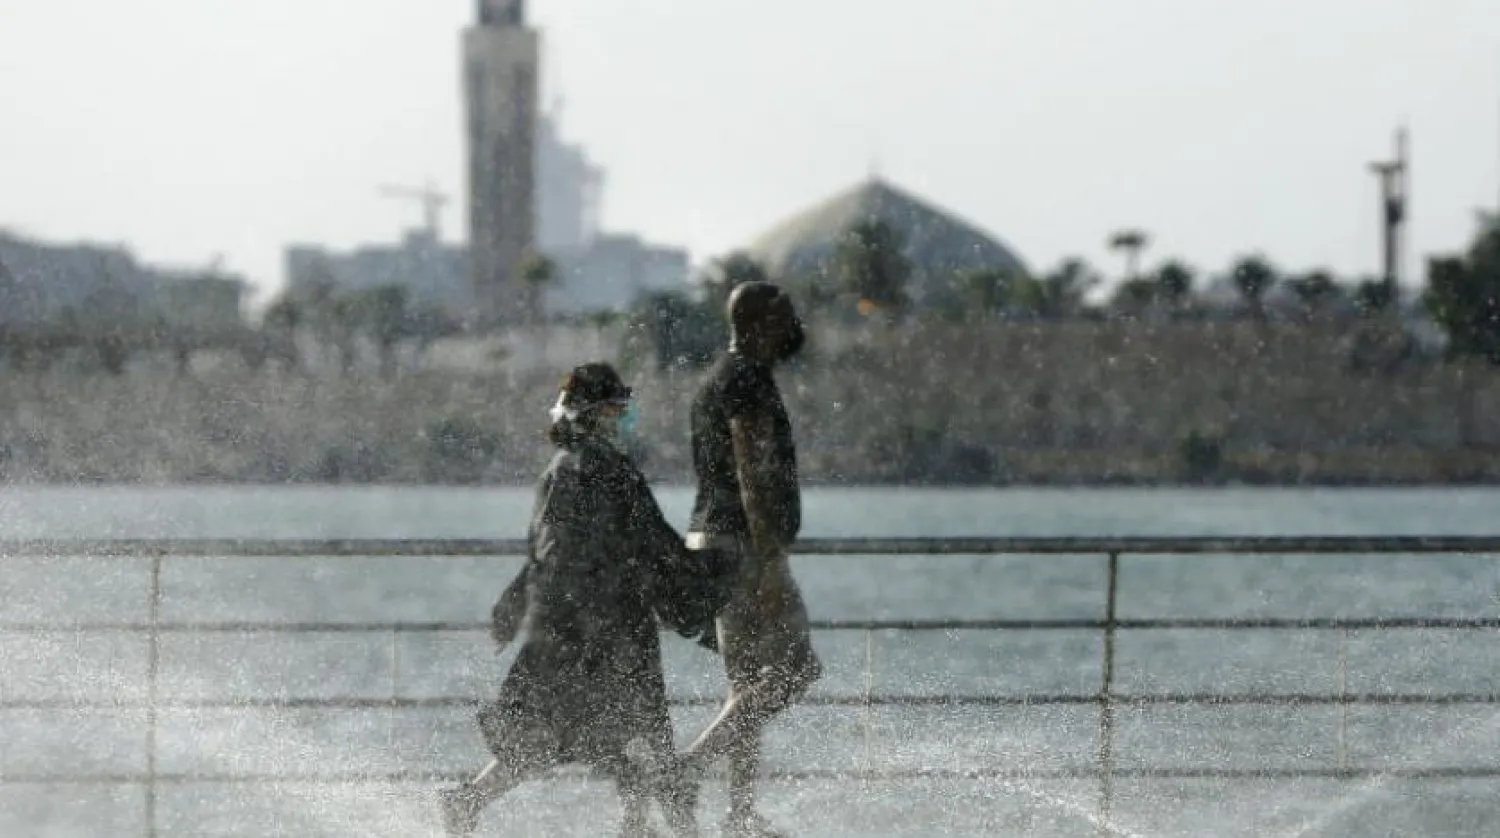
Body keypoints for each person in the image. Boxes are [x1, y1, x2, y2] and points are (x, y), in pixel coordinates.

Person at [439, 362, 729, 838]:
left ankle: (471, 801)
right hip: (611, 625)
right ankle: (665, 832)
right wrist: (710, 576)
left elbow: (544, 551)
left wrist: (521, 603)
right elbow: (652, 540)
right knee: (643, 734)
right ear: (600, 412)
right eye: (619, 407)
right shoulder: (607, 468)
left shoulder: (559, 470)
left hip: (569, 624)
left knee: (554, 733)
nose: (624, 416)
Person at [679, 281, 822, 838]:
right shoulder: (745, 382)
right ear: (760, 323)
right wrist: (767, 564)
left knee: (749, 686)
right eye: (785, 316)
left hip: (714, 540)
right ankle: (689, 770)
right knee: (795, 671)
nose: (794, 326)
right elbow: (751, 473)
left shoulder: (721, 377)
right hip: (743, 548)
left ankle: (738, 816)